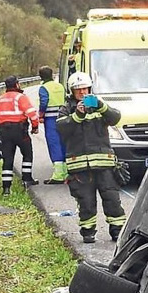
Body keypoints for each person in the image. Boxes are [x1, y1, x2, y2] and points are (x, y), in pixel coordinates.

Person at [57, 72, 126, 243]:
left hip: (104, 165)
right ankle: (88, 232)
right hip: (80, 167)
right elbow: (61, 128)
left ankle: (117, 230)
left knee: (112, 199)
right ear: (71, 91)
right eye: (78, 90)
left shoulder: (99, 105)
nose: (82, 93)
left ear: (90, 88)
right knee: (86, 202)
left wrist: (101, 106)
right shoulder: (66, 109)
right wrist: (77, 115)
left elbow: (115, 118)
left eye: (85, 89)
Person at [0, 75, 39, 195]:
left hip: (3, 131)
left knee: (7, 158)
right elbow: (32, 113)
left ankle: (6, 188)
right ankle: (27, 179)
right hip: (19, 130)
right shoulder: (20, 97)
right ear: (17, 84)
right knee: (27, 153)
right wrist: (35, 127)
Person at [37, 66, 68, 184]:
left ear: (41, 76)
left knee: (54, 143)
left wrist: (41, 114)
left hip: (50, 119)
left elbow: (44, 101)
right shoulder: (60, 86)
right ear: (52, 74)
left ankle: (58, 175)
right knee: (63, 142)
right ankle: (67, 172)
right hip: (63, 116)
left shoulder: (44, 88)